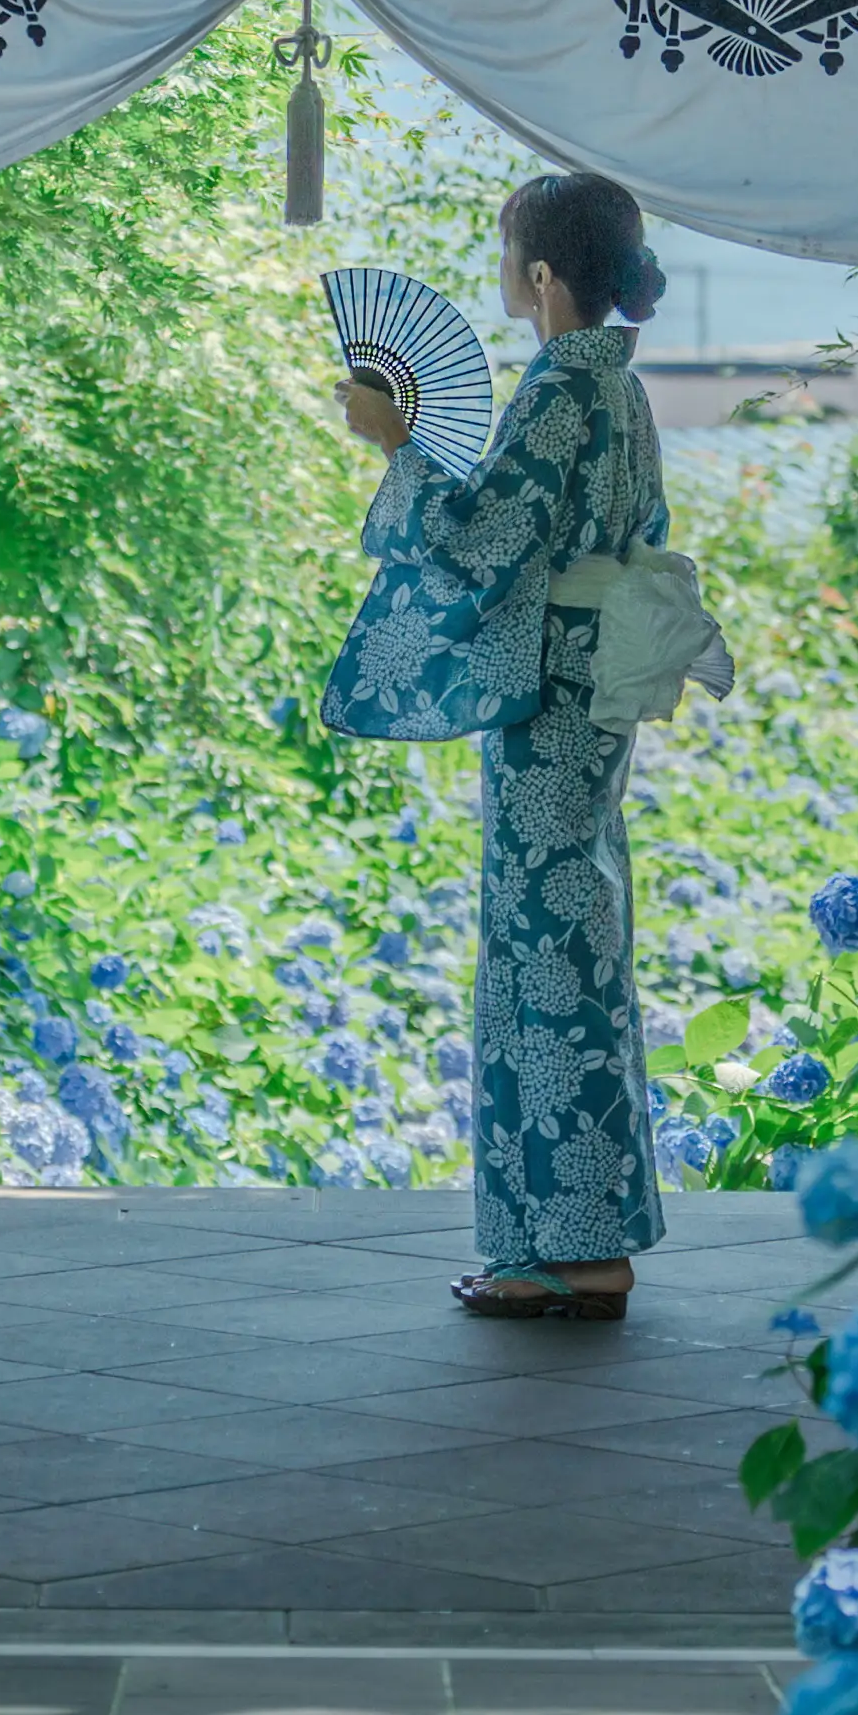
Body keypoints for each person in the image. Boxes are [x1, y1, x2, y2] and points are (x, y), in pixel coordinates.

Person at [324, 167, 672, 1318]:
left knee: (544, 953)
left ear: (540, 275)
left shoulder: (561, 390)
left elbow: (485, 542)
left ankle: (573, 1251)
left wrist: (394, 439)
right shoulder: (622, 392)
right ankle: (575, 1241)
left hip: (548, 699)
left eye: (509, 253)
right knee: (576, 935)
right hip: (596, 684)